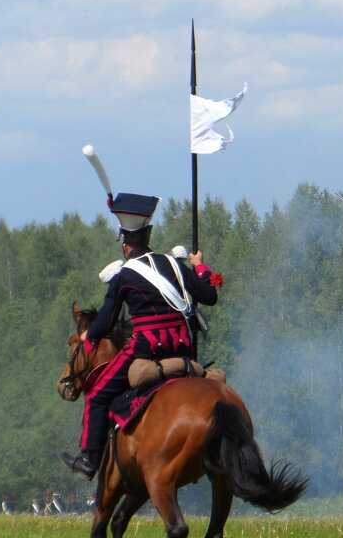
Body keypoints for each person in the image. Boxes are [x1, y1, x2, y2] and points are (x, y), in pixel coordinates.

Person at [59, 192, 222, 480]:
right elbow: (209, 295)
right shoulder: (174, 265)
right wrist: (199, 266)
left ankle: (89, 458)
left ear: (125, 245)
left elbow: (107, 319)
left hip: (148, 348)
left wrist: (89, 336)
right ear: (148, 236)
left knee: (97, 392)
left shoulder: (125, 275)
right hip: (183, 347)